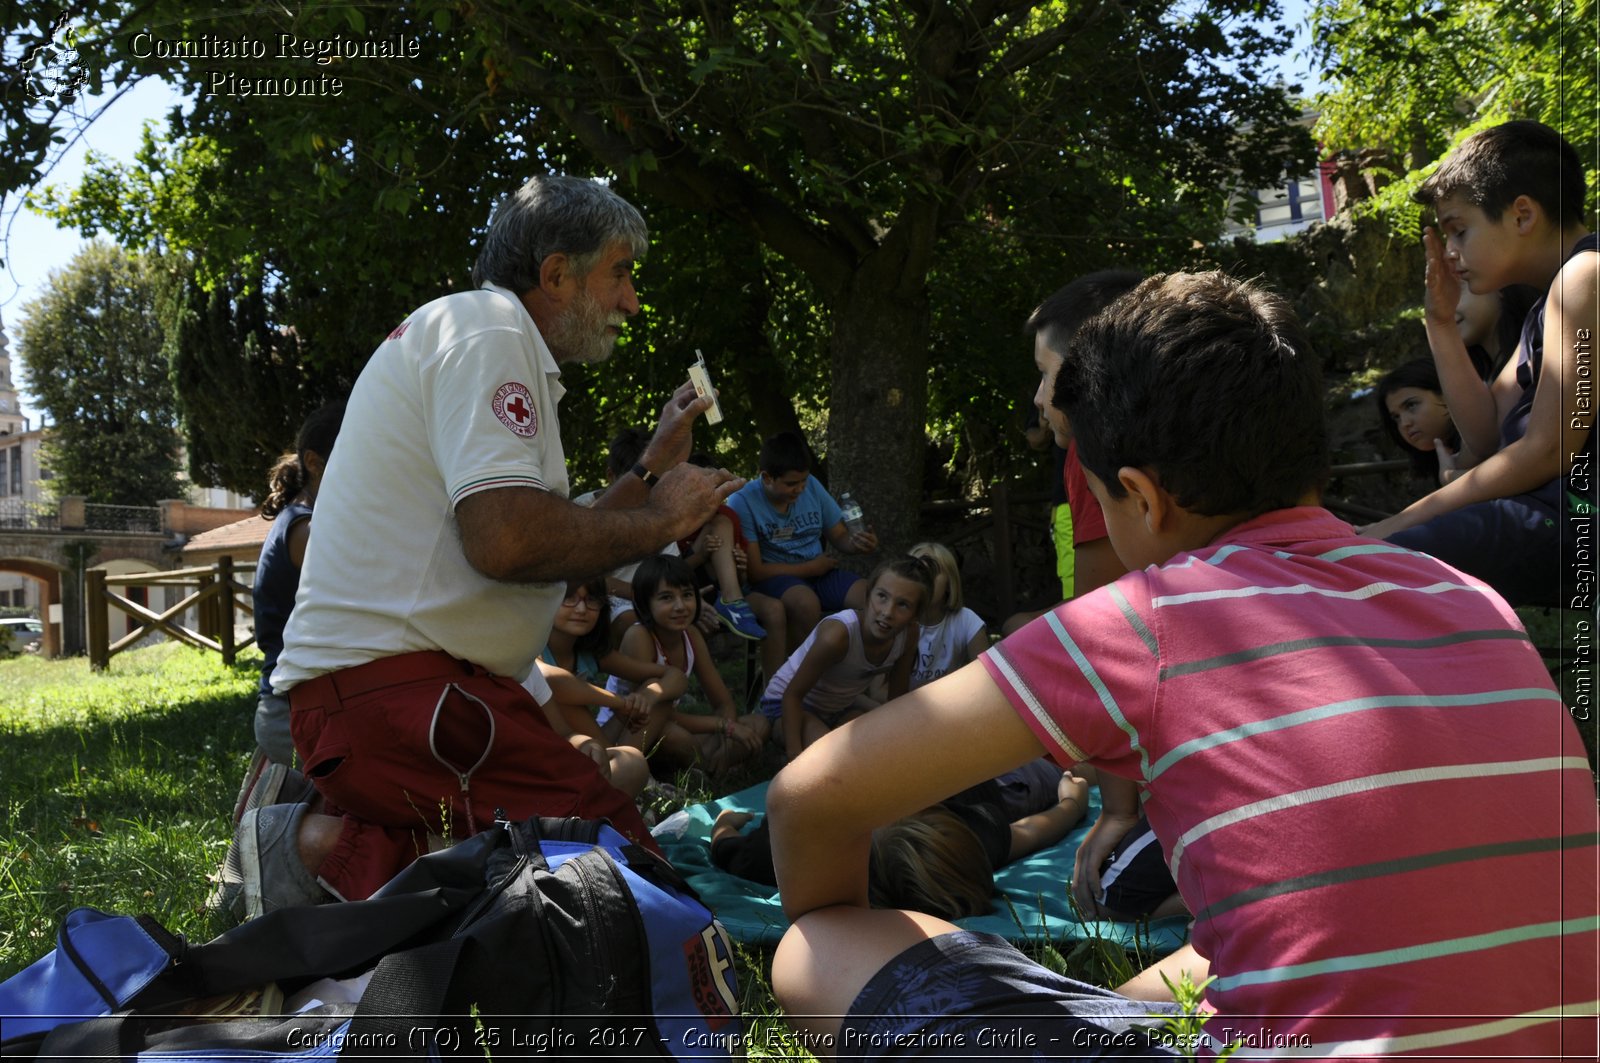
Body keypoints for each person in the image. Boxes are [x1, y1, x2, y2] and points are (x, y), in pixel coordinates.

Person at [767, 271, 1597, 1058]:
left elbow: (810, 796)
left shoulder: (1148, 619)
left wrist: (834, 911)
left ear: (1142, 495)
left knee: (817, 949)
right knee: (1224, 951)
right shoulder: (1460, 590)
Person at [233, 175, 739, 913]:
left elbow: (551, 539)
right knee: (627, 877)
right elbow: (505, 543)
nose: (632, 300)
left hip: (404, 695)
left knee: (519, 880)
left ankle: (322, 844)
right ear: (556, 273)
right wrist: (663, 519)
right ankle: (312, 843)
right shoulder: (489, 333)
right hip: (402, 698)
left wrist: (652, 464)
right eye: (621, 272)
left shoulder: (481, 336)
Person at [1363, 121, 1596, 607]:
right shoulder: (1546, 304)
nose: (1450, 253)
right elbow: (1486, 435)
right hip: (1556, 519)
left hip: (1576, 520)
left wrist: (1399, 522)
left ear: (1523, 215)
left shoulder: (1584, 276)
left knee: (1381, 559)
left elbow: (1549, 450)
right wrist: (1441, 324)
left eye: (1459, 230)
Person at [711, 761, 1088, 918]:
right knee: (1051, 771)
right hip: (976, 777)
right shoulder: (973, 835)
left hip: (898, 760)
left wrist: (725, 822)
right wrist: (1071, 801)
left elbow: (726, 848)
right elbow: (1035, 831)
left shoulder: (787, 858)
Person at [1001, 271, 1141, 635]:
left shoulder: (1090, 450)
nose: (1038, 397)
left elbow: (1097, 617)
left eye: (1045, 373)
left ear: (1088, 376)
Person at [752, 557, 930, 759]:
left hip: (839, 707)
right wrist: (794, 757)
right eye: (882, 596)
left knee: (872, 750)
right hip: (787, 707)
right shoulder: (838, 635)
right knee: (834, 759)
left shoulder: (909, 634)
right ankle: (778, 737)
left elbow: (897, 700)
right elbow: (792, 695)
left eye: (903, 605)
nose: (888, 612)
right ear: (867, 595)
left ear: (915, 615)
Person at [607, 555, 766, 775]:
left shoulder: (690, 634)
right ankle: (705, 767)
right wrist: (724, 727)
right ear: (645, 604)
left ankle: (708, 763)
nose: (680, 606)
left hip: (670, 724)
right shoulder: (639, 636)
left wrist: (728, 739)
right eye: (666, 598)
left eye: (688, 595)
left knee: (758, 724)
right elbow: (650, 713)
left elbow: (723, 703)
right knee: (676, 736)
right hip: (630, 732)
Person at [250, 401, 345, 768]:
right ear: (314, 462)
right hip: (295, 717)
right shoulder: (307, 531)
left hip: (303, 708)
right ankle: (269, 824)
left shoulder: (302, 519)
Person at [729, 431, 879, 660]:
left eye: (803, 481)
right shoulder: (743, 501)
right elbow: (755, 572)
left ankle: (857, 676)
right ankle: (798, 680)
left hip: (820, 573)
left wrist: (858, 543)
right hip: (777, 580)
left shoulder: (811, 487)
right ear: (767, 477)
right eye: (791, 484)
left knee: (875, 597)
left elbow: (839, 536)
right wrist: (810, 569)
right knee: (805, 603)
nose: (799, 489)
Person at [904, 542, 987, 689]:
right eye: (919, 572)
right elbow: (880, 689)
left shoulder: (966, 620)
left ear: (949, 582)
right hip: (902, 704)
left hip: (951, 702)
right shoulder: (897, 620)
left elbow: (986, 678)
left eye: (933, 572)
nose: (926, 579)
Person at [1374, 358, 1463, 482]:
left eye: (1411, 405)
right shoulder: (1438, 460)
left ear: (1446, 394)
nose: (1405, 424)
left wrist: (1451, 478)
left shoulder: (1487, 437)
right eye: (1396, 417)